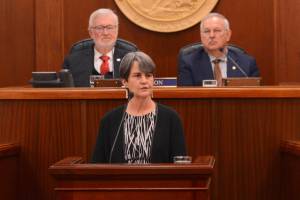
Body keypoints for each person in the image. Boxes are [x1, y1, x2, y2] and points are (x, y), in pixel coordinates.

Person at [91, 51, 187, 163]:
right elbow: (97, 165)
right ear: (125, 82)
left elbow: (181, 165)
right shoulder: (109, 121)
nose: (144, 81)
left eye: (148, 75)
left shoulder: (171, 118)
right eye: (137, 75)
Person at [177, 13, 260, 86]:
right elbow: (186, 99)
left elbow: (254, 97)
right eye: (206, 31)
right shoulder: (189, 63)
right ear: (201, 36)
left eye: (217, 30)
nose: (211, 35)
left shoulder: (247, 63)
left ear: (228, 34)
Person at [63, 8, 138, 87]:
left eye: (110, 27)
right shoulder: (73, 60)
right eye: (99, 28)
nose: (105, 33)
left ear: (117, 30)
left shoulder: (131, 58)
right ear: (91, 32)